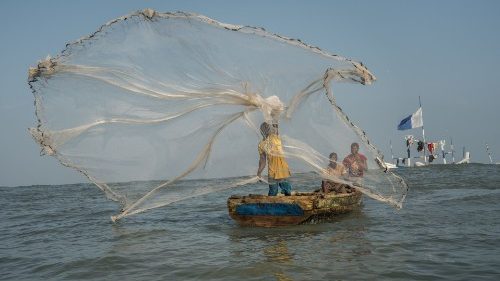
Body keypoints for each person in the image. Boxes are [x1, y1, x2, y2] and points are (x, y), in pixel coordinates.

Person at [257, 122, 292, 196]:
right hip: (272, 172)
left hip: (282, 170)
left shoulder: (275, 137)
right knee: (273, 192)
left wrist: (273, 113)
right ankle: (271, 206)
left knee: (287, 191)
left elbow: (275, 124)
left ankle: (286, 205)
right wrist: (259, 173)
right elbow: (262, 161)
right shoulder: (261, 144)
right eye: (265, 128)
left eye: (268, 128)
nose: (267, 129)